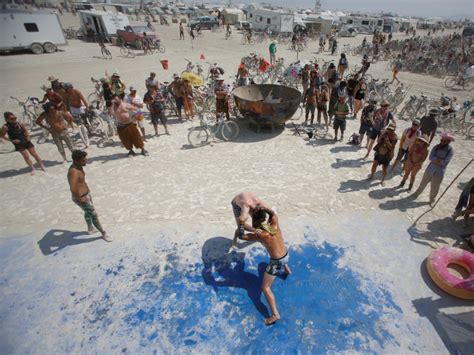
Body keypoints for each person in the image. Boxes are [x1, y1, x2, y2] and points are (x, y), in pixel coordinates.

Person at [238, 206, 291, 326]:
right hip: (286, 255)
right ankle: (287, 270)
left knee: (265, 288)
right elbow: (273, 214)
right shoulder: (274, 224)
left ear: (255, 221)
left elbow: (242, 236)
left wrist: (241, 223)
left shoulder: (261, 235)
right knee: (279, 253)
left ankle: (274, 314)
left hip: (276, 262)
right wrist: (266, 209)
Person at [67, 150, 112, 242]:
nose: (85, 161)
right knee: (94, 215)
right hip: (81, 197)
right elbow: (73, 187)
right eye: (83, 160)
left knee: (88, 212)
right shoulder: (74, 172)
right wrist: (81, 198)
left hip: (86, 195)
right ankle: (103, 233)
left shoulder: (79, 166)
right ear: (76, 160)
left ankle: (90, 228)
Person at [412, 132, 454, 205]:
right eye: (441, 140)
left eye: (444, 141)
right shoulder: (436, 147)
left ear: (448, 142)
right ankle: (417, 193)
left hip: (440, 171)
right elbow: (431, 157)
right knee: (423, 182)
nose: (442, 142)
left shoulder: (450, 150)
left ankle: (432, 199)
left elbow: (446, 161)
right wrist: (439, 160)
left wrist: (437, 160)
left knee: (435, 186)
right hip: (430, 169)